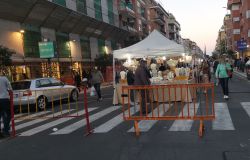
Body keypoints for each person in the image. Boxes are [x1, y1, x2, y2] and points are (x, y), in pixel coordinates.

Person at [0, 71, 13, 137]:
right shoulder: (4, 78)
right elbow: (10, 89)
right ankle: (5, 129)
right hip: (4, 99)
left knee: (2, 114)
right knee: (8, 114)